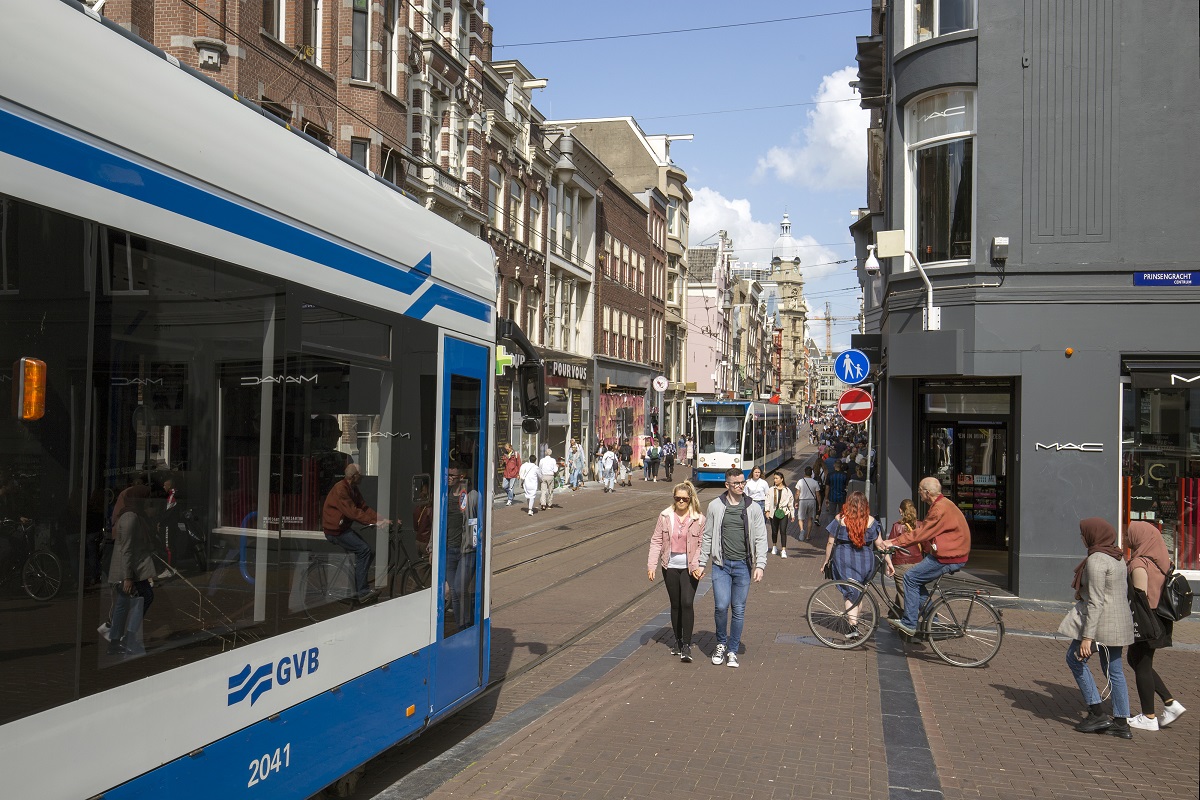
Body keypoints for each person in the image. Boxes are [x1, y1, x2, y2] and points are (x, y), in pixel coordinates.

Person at [1058, 518, 1135, 739]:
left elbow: (1096, 602)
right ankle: (1121, 722)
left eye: (1083, 534)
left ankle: (1096, 712)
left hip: (1101, 625)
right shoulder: (1117, 556)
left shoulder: (1097, 560)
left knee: (1074, 659)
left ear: (1092, 536)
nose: (1081, 538)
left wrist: (1087, 637)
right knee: (1115, 671)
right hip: (1119, 622)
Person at [875, 476, 970, 636]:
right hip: (951, 552)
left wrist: (894, 542)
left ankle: (909, 623)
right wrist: (894, 540)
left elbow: (921, 533)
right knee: (917, 582)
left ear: (927, 492)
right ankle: (933, 622)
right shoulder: (943, 504)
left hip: (949, 555)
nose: (918, 493)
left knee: (910, 578)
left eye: (919, 490)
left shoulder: (939, 509)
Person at [696, 467, 768, 668]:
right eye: (736, 483)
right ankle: (721, 643)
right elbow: (708, 536)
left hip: (743, 566)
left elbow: (761, 538)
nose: (740, 486)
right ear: (726, 484)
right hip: (721, 565)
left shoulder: (753, 508)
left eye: (742, 482)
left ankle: (733, 650)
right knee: (721, 606)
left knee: (738, 609)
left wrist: (760, 565)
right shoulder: (715, 506)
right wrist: (702, 563)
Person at [1125, 521, 1187, 731]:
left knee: (1141, 664)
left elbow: (1138, 598)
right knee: (1135, 659)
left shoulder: (1139, 563)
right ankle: (1170, 703)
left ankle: (1149, 716)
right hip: (1160, 619)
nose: (1126, 538)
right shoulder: (1162, 561)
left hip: (1145, 620)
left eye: (1129, 535)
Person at [647, 481, 705, 663]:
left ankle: (687, 645)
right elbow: (656, 541)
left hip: (690, 567)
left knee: (687, 603)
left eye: (684, 499)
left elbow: (703, 544)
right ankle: (678, 640)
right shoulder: (665, 516)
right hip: (669, 565)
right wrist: (651, 565)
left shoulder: (699, 519)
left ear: (690, 499)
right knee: (675, 604)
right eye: (677, 498)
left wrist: (697, 565)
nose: (680, 501)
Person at [821, 491, 887, 639]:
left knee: (850, 592)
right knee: (859, 591)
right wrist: (889, 562)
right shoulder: (871, 521)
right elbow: (880, 544)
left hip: (844, 558)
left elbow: (830, 542)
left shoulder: (839, 519)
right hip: (865, 559)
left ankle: (853, 626)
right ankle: (855, 621)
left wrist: (826, 560)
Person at [321, 463, 388, 603]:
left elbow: (363, 507)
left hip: (342, 529)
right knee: (364, 550)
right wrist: (374, 522)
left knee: (369, 552)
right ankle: (362, 591)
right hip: (335, 531)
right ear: (354, 476)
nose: (362, 477)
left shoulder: (353, 489)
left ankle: (359, 581)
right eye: (360, 475)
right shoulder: (341, 489)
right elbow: (353, 512)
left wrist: (382, 519)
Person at [106, 485, 157, 655]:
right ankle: (128, 637)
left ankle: (115, 642)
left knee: (123, 602)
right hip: (129, 570)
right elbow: (126, 549)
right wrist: (127, 577)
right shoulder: (130, 518)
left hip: (132, 569)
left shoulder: (134, 515)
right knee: (145, 596)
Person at [445, 464, 480, 629]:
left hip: (466, 551)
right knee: (454, 592)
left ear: (461, 477)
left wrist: (476, 543)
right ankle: (462, 626)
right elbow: (437, 523)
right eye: (448, 475)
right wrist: (432, 547)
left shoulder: (472, 496)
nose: (449, 478)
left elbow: (480, 522)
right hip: (449, 550)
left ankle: (465, 625)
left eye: (453, 475)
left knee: (459, 589)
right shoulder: (444, 495)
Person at [887, 499, 924, 613]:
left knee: (904, 593)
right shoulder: (920, 525)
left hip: (901, 564)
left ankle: (908, 622)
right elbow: (926, 546)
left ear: (900, 510)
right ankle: (894, 613)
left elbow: (891, 546)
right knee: (914, 589)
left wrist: (888, 563)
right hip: (918, 562)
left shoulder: (897, 526)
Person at [764, 470, 795, 558]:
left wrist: (792, 515)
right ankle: (774, 546)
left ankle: (783, 550)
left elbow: (790, 503)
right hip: (773, 513)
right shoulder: (771, 490)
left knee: (783, 531)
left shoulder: (787, 490)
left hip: (784, 513)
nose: (775, 480)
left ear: (782, 479)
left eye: (777, 478)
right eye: (774, 478)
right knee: (774, 531)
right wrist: (767, 511)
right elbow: (767, 501)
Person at [795, 466, 821, 542]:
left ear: (804, 472)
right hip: (812, 501)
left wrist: (796, 501)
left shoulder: (800, 481)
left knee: (801, 518)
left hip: (802, 501)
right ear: (811, 473)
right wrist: (819, 504)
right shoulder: (815, 482)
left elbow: (797, 493)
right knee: (810, 519)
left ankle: (802, 529)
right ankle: (808, 536)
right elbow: (818, 495)